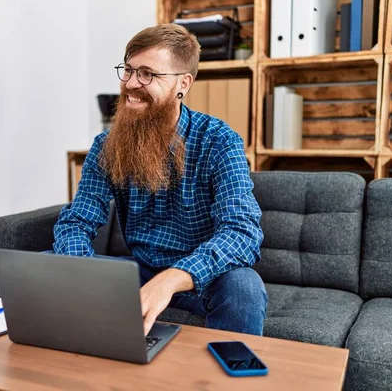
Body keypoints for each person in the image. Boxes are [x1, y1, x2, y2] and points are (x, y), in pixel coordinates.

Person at [52, 24, 267, 337]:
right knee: (48, 266)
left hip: (199, 278)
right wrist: (83, 272)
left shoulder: (220, 141)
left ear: (183, 83)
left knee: (243, 286)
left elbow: (242, 231)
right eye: (128, 70)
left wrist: (172, 278)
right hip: (138, 271)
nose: (130, 83)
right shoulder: (108, 144)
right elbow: (76, 222)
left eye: (147, 74)